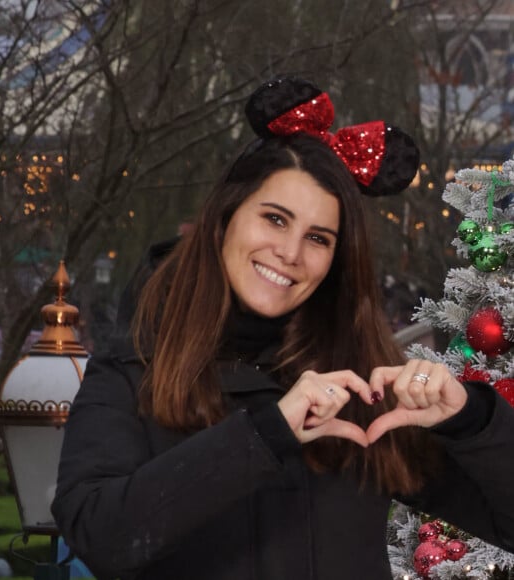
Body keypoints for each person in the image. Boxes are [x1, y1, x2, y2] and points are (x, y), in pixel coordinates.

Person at [51, 76, 514, 580]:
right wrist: (269, 433)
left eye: (317, 237)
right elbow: (99, 534)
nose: (290, 254)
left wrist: (472, 421)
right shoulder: (133, 369)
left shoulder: (360, 384)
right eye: (274, 219)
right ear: (225, 218)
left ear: (336, 260)